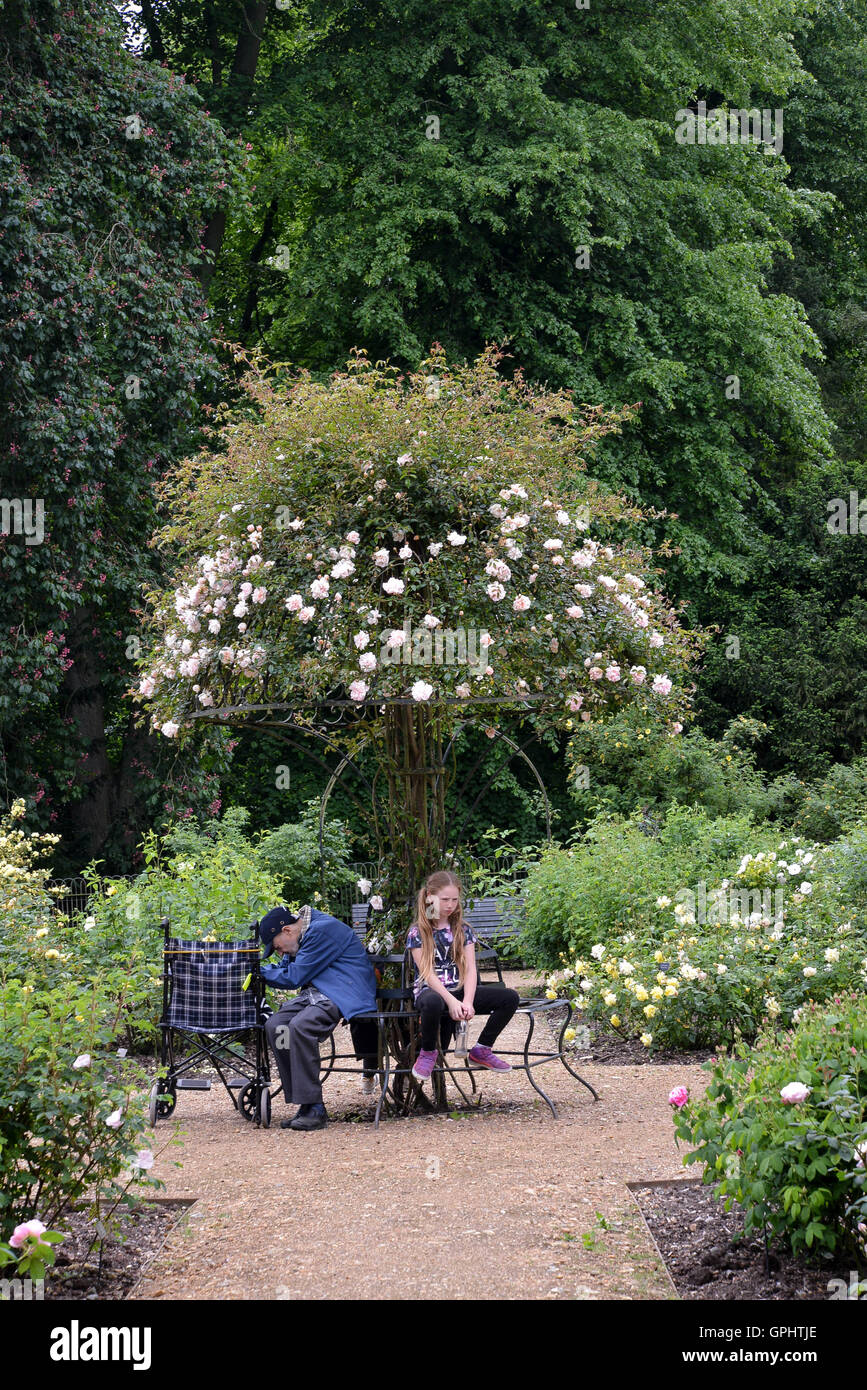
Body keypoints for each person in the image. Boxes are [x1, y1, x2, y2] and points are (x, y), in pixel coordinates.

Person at [259, 903, 377, 1130]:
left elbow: (294, 977)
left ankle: (315, 1108)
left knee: (301, 1026)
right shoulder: (301, 935)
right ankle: (304, 1102)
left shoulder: (322, 930)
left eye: (277, 948)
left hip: (344, 992)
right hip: (318, 993)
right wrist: (259, 970)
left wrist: (258, 972)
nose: (280, 952)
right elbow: (286, 969)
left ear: (287, 931)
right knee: (277, 1026)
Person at [406, 870, 519, 1082]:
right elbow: (426, 973)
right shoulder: (418, 932)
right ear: (430, 896)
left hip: (458, 990)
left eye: (454, 900)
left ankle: (482, 1049)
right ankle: (428, 1052)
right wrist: (451, 1001)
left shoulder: (463, 930)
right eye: (445, 899)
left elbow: (469, 969)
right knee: (430, 1002)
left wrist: (467, 1001)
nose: (450, 905)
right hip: (433, 991)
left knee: (510, 998)